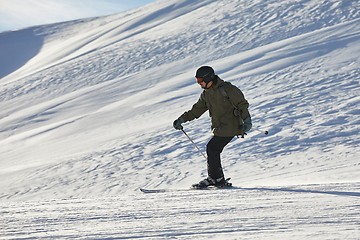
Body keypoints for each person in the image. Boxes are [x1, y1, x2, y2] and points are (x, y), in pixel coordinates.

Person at [173, 66, 252, 188]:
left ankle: (216, 179)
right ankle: (216, 178)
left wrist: (247, 120)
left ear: (208, 78)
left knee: (212, 148)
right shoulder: (206, 94)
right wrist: (182, 119)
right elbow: (196, 110)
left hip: (232, 125)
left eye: (200, 80)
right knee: (212, 149)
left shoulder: (228, 89)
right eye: (197, 81)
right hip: (219, 128)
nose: (199, 83)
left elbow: (242, 104)